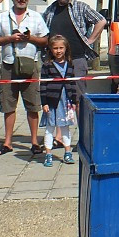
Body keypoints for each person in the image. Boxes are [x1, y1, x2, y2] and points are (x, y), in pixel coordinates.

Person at [0, 0, 49, 157]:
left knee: (33, 105)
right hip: (8, 65)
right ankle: (7, 142)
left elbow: (45, 39)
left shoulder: (36, 17)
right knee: (8, 105)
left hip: (30, 65)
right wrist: (10, 38)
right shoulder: (2, 17)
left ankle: (34, 142)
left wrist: (30, 38)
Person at [40, 0, 106, 85]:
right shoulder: (49, 10)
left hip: (77, 60)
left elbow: (101, 21)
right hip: (55, 61)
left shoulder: (80, 7)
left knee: (78, 96)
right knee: (56, 96)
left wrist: (90, 40)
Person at [39, 34, 77, 167]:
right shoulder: (47, 65)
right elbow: (43, 85)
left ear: (66, 48)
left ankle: (67, 152)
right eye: (55, 48)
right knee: (50, 128)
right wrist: (44, 102)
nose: (59, 51)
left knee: (65, 127)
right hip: (51, 101)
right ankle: (48, 154)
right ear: (51, 49)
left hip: (65, 102)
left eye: (61, 48)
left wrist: (74, 100)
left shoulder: (70, 64)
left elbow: (72, 83)